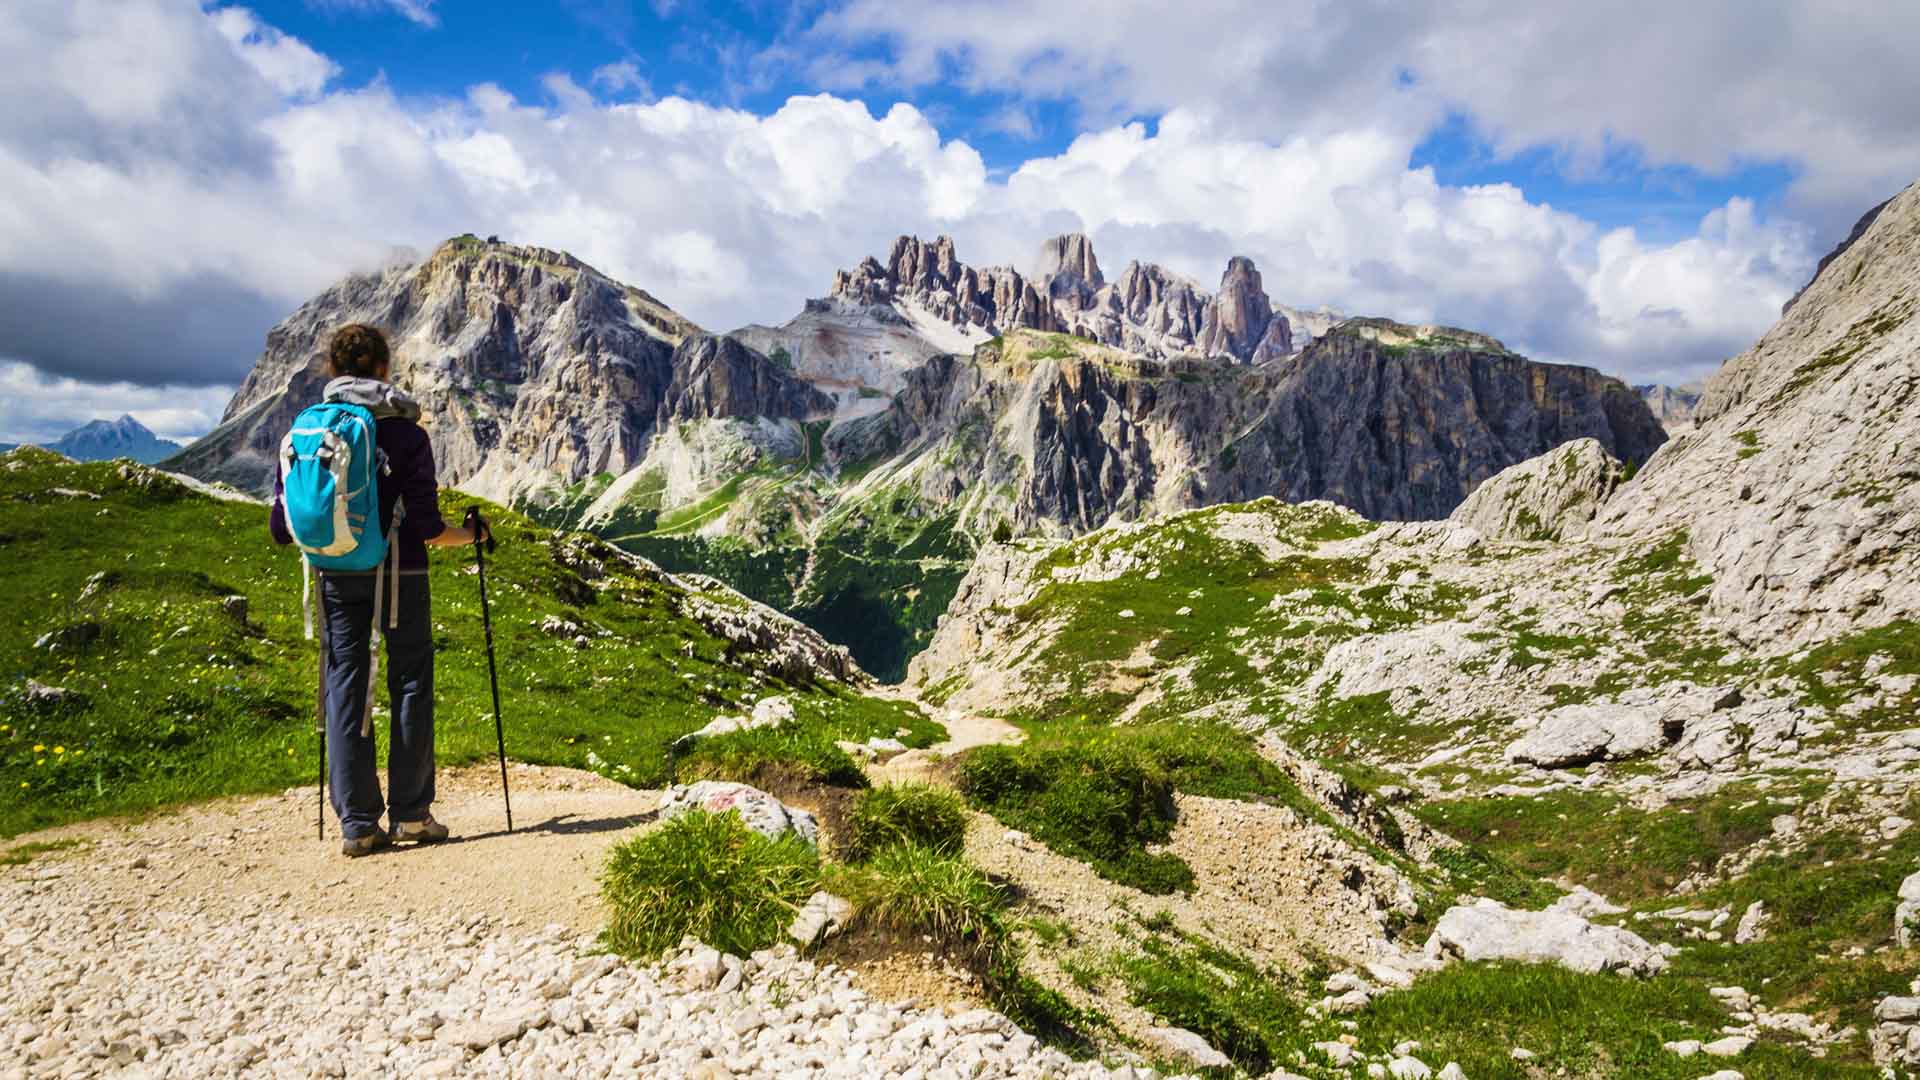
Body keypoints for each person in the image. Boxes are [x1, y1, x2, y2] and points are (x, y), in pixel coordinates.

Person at [269, 324, 488, 856]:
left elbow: (281, 527)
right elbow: (430, 530)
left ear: (333, 370)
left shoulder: (308, 430)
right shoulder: (408, 435)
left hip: (334, 573)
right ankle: (412, 815)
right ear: (386, 369)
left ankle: (358, 824)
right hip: (402, 574)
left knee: (344, 680)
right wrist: (474, 534)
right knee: (409, 679)